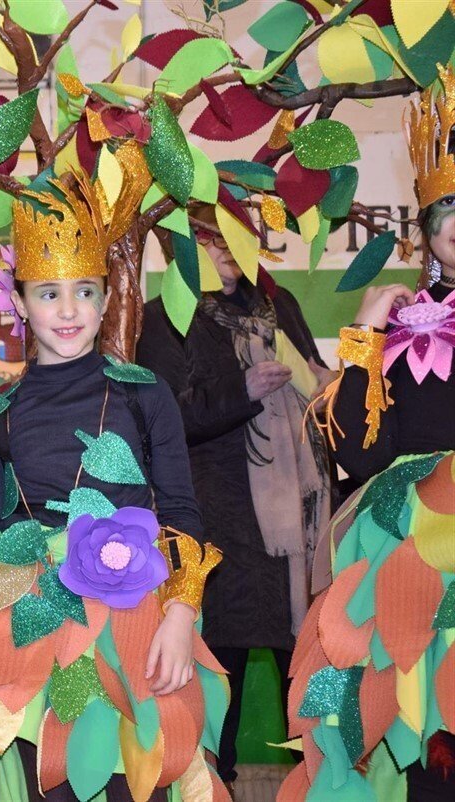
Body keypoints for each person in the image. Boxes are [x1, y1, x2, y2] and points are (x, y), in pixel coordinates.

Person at [0, 151, 230, 801]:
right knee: (52, 784)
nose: (68, 310)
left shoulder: (145, 394)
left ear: (106, 297)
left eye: (84, 291)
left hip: (137, 618)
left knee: (139, 779)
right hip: (33, 625)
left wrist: (180, 615)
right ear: (19, 302)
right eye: (48, 293)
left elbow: (181, 512)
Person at [281, 68, 455, 802]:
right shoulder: (399, 328)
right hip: (410, 548)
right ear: (427, 228)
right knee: (422, 730)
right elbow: (359, 454)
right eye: (449, 210)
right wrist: (364, 335)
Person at [136, 206, 334, 791]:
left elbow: (316, 383)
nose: (224, 247)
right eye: (208, 236)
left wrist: (331, 386)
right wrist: (240, 389)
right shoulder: (164, 317)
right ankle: (212, 789)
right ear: (180, 247)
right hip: (220, 524)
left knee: (312, 675)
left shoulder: (281, 305)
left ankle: (319, 784)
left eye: (234, 235)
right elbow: (165, 421)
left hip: (301, 524)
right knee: (220, 682)